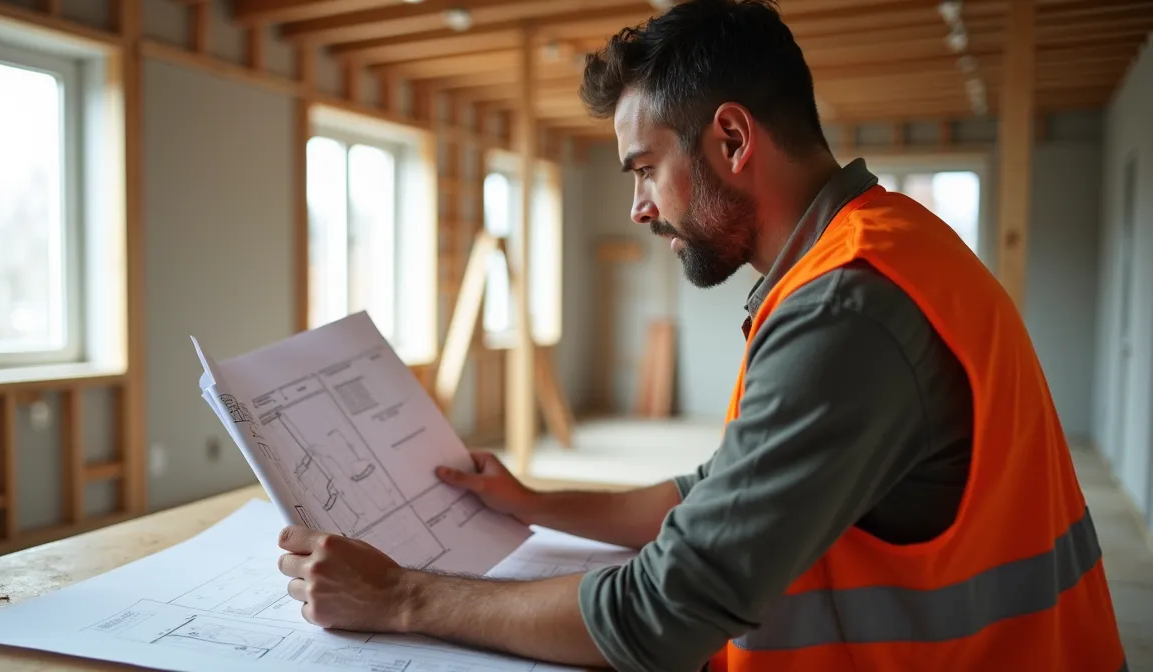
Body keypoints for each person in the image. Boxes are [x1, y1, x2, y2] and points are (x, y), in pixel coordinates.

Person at [274, 0, 1129, 670]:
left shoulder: (848, 309)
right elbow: (714, 497)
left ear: (730, 138)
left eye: (645, 169)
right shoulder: (882, 246)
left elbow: (663, 614)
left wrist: (400, 599)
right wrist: (533, 501)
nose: (639, 206)